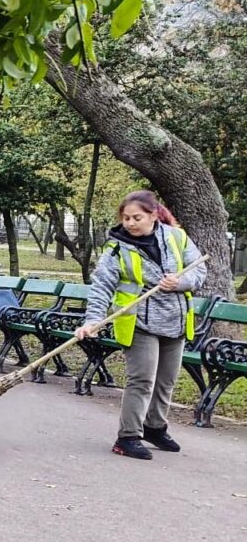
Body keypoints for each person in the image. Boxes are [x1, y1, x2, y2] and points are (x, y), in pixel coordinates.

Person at [75, 191, 206, 460]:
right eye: (126, 218)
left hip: (176, 320)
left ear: (153, 215)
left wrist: (180, 282)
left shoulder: (176, 237)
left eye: (137, 217)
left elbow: (198, 270)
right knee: (142, 380)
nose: (131, 223)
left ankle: (154, 427)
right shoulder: (116, 248)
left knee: (166, 380)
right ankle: (128, 437)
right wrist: (93, 321)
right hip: (139, 323)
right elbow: (101, 286)